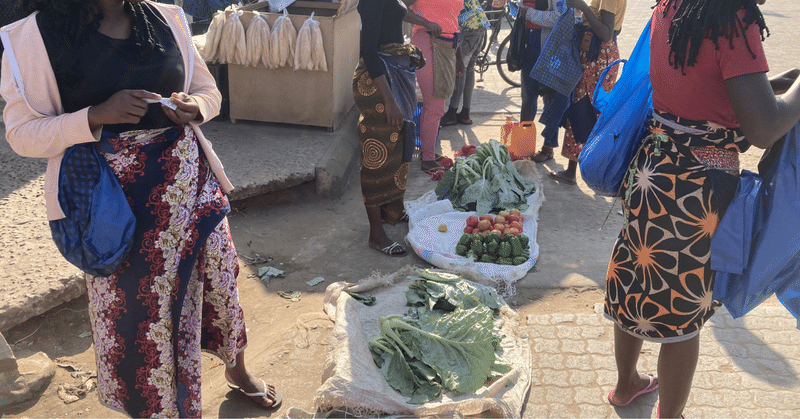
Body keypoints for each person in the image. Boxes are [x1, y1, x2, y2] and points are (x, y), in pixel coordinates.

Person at [0, 1, 279, 416]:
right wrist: (94, 116)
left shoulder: (166, 18)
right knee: (138, 317)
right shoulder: (32, 38)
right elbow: (22, 135)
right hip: (115, 210)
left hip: (190, 190)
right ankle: (159, 407)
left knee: (219, 282)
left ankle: (236, 369)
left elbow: (210, 93)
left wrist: (195, 109)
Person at [603, 0, 800, 418]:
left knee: (637, 277)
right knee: (681, 309)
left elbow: (700, 82)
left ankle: (626, 386)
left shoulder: (675, 5)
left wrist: (773, 84)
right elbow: (763, 129)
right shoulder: (732, 17)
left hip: (653, 168)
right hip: (696, 190)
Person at [355, 0, 427, 256]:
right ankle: (376, 233)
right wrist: (389, 100)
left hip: (392, 75)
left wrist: (427, 23)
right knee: (379, 156)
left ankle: (392, 212)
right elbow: (368, 49)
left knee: (398, 148)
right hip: (378, 84)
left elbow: (400, 12)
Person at [548, 0, 625, 185]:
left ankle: (580, 171)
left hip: (597, 57)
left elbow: (607, 33)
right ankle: (583, 169)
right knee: (586, 110)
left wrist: (582, 7)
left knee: (584, 110)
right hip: (597, 54)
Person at [407, 0, 463, 174]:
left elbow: (452, 21)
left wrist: (458, 57)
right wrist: (426, 23)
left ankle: (427, 152)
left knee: (434, 105)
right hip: (426, 41)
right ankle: (428, 158)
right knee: (435, 104)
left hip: (448, 46)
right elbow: (399, 7)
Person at [517, 0, 569, 163]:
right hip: (529, 45)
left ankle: (548, 148)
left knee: (550, 100)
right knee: (527, 99)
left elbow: (560, 16)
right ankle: (523, 147)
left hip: (549, 48)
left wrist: (530, 13)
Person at [439, 0, 490, 127]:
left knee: (460, 68)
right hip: (480, 23)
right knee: (469, 67)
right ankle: (465, 112)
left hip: (468, 27)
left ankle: (452, 112)